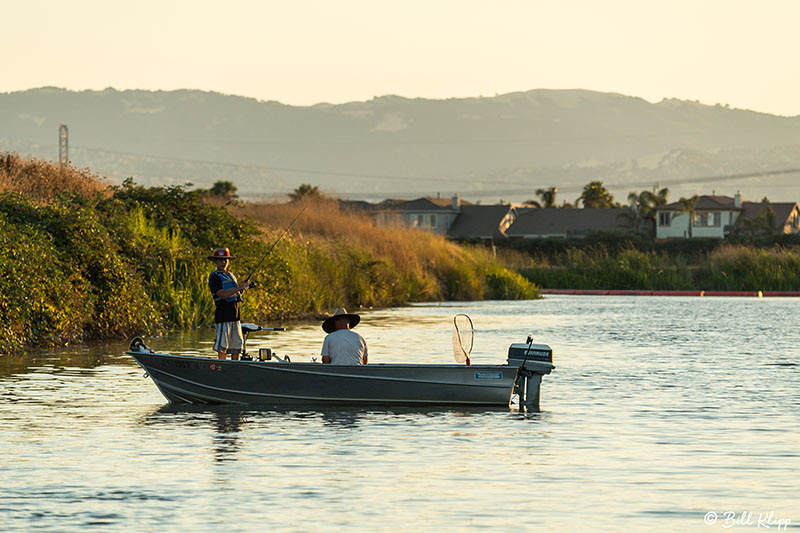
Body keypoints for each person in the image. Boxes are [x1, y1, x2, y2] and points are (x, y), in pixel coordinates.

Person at [208, 247, 250, 360]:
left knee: (236, 347)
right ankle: (222, 367)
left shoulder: (231, 276)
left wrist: (242, 288)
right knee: (223, 347)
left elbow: (236, 294)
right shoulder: (214, 277)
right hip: (223, 316)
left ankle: (234, 368)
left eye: (225, 260)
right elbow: (222, 295)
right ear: (216, 261)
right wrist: (239, 288)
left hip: (235, 316)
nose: (223, 262)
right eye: (220, 260)